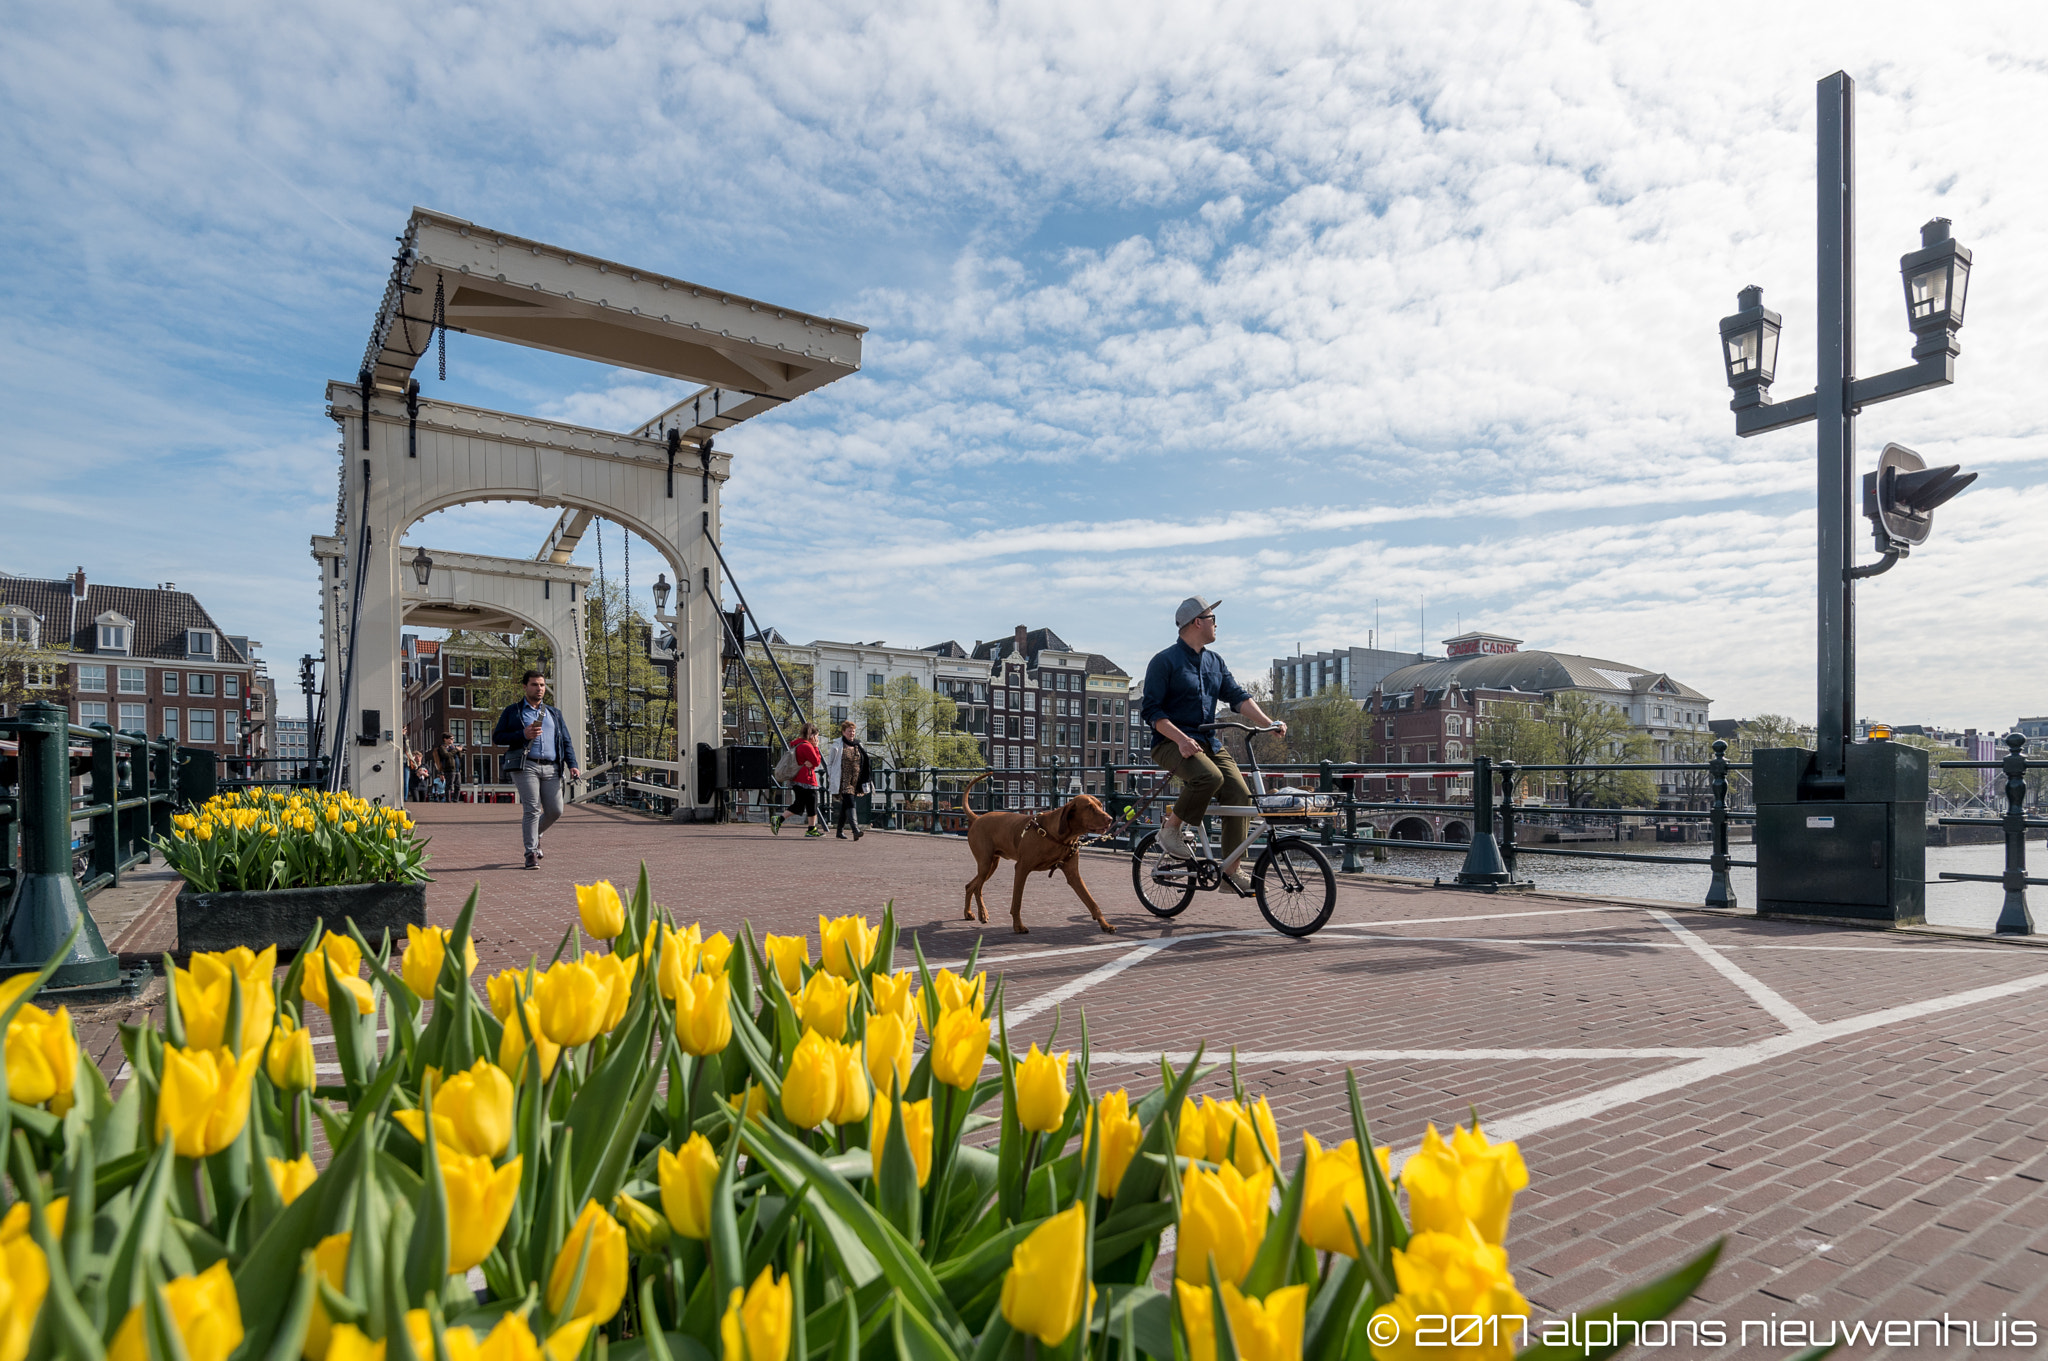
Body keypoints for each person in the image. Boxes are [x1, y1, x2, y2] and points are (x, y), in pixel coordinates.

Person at [1139, 596, 1286, 892]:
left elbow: (1237, 696)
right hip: (1170, 743)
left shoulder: (1214, 661)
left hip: (1208, 743)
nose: (1216, 624)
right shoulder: (1164, 661)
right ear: (1197, 622)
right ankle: (1171, 828)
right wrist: (1181, 739)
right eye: (1212, 618)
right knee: (1209, 776)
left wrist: (1266, 723)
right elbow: (1151, 712)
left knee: (1240, 794)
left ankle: (1231, 871)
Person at [492, 669, 582, 869]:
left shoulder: (554, 714)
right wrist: (522, 734)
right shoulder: (513, 711)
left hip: (552, 767)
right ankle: (530, 852)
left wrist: (573, 764)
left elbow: (565, 741)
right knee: (532, 809)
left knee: (556, 810)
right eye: (534, 684)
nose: (539, 689)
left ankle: (537, 833)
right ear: (525, 687)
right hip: (526, 765)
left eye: (542, 685)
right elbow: (498, 737)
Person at [771, 724, 825, 838]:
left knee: (802, 804)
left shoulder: (797, 744)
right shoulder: (807, 746)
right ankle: (809, 828)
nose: (817, 739)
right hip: (806, 780)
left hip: (797, 779)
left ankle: (810, 828)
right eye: (816, 736)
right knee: (810, 803)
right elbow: (816, 761)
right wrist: (815, 747)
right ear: (812, 735)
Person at [826, 719, 873, 840]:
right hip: (843, 780)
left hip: (856, 780)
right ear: (843, 732)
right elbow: (830, 763)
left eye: (853, 731)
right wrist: (831, 776)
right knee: (851, 802)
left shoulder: (858, 745)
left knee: (845, 806)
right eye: (849, 731)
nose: (851, 733)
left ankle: (839, 831)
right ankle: (855, 830)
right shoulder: (837, 745)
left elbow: (864, 762)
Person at [435, 733, 465, 803]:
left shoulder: (453, 747)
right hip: (449, 769)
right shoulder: (442, 747)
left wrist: (459, 750)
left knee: (458, 785)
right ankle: (448, 800)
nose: (452, 740)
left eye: (453, 739)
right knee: (449, 785)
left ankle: (456, 800)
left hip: (457, 769)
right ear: (445, 739)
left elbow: (459, 757)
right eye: (451, 739)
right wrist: (456, 750)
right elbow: (446, 755)